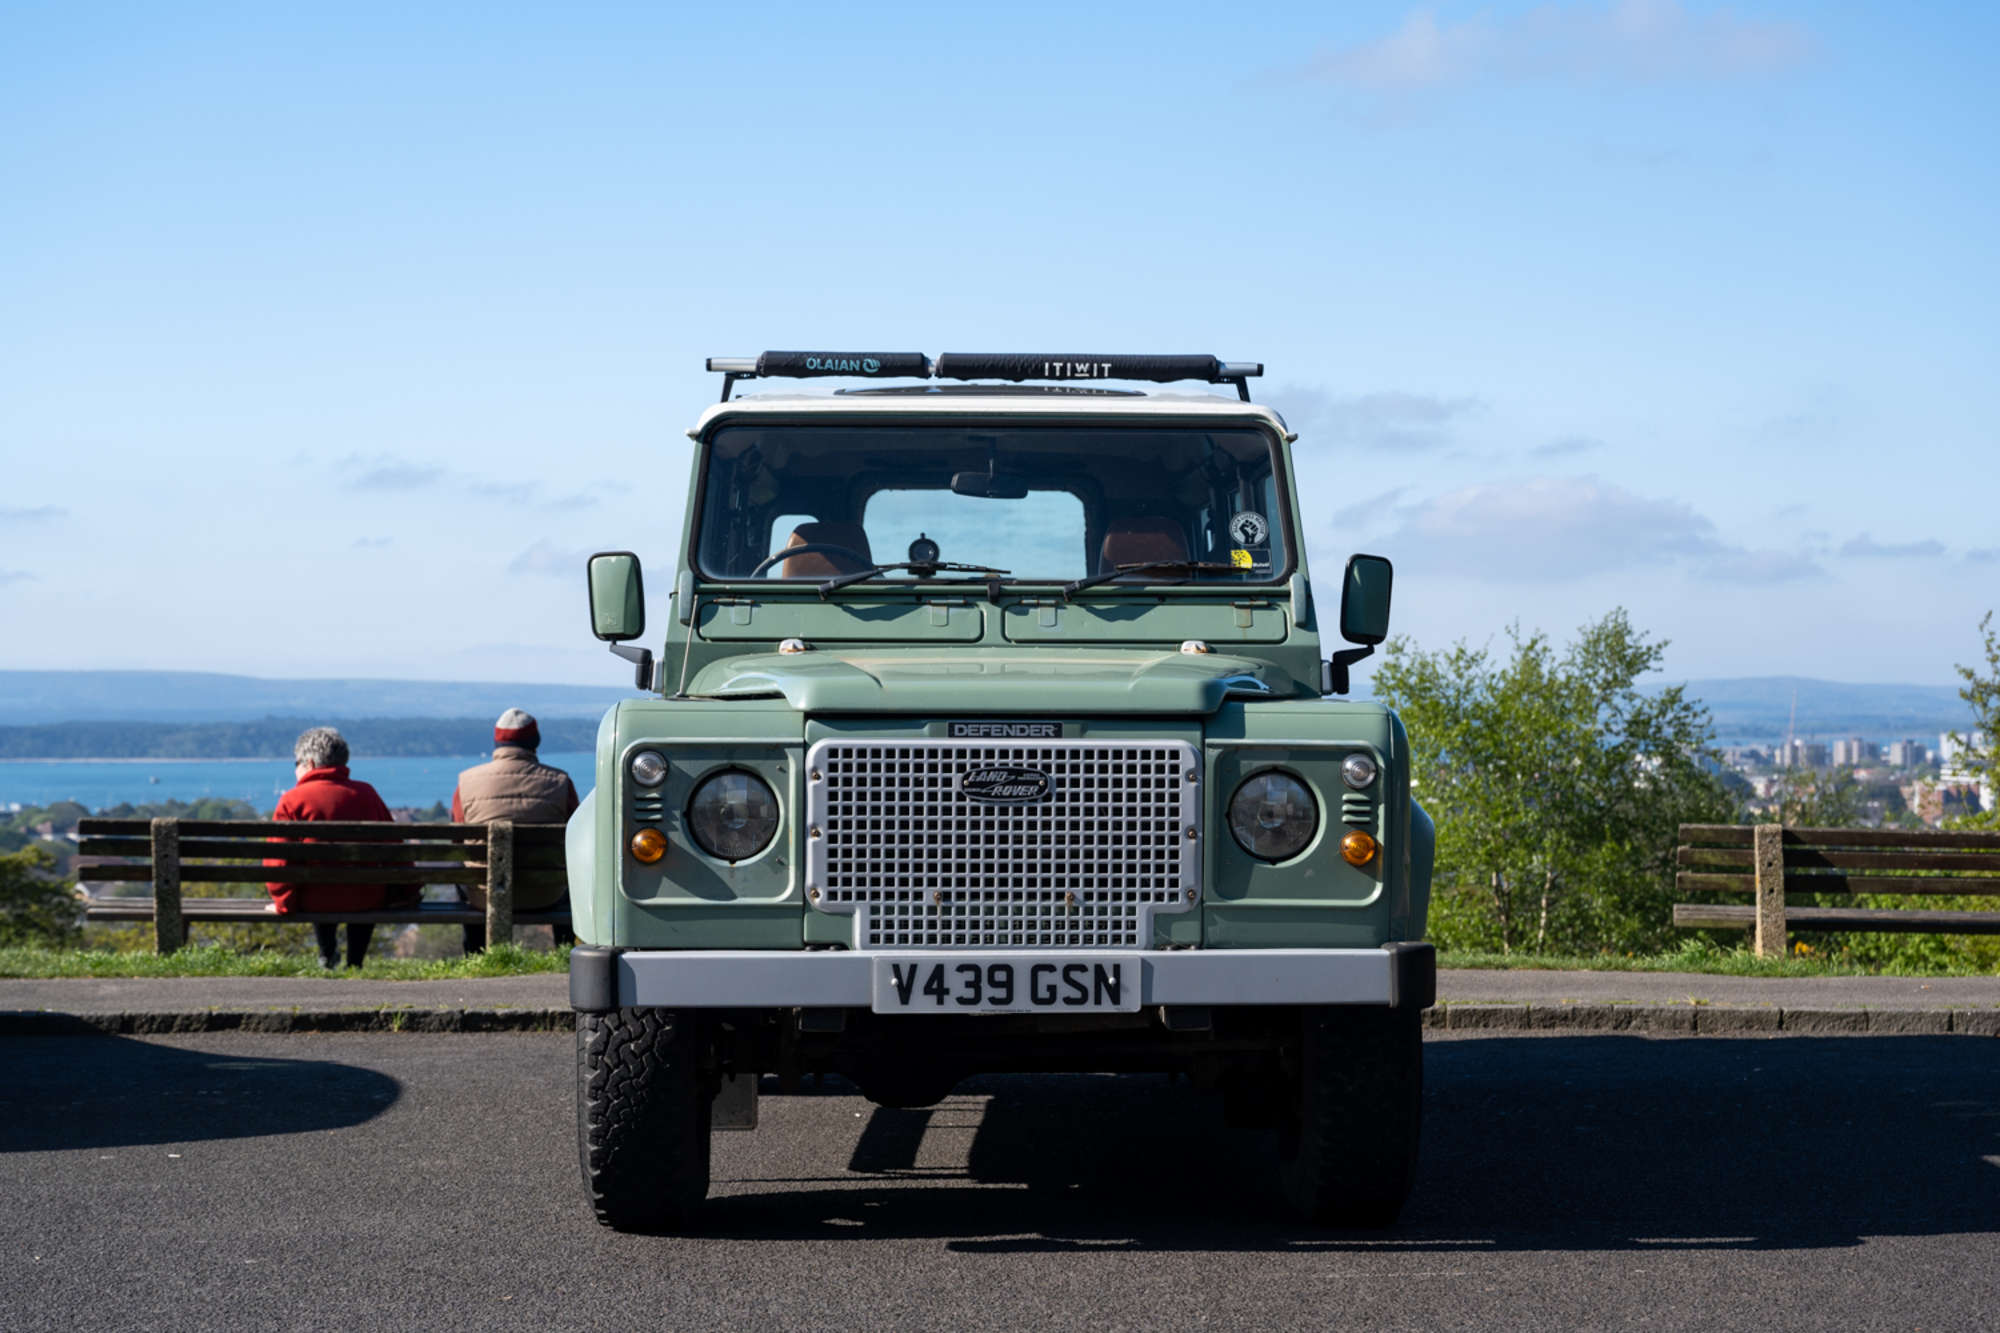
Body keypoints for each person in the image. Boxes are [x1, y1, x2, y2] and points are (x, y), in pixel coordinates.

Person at [450, 709, 580, 952]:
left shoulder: (466, 781)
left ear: (497, 741)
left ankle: (475, 952)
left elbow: (458, 841)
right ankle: (564, 951)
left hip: (484, 895)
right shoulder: (561, 782)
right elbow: (577, 838)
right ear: (535, 741)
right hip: (546, 893)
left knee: (461, 865)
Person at [266, 726, 393, 969]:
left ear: (310, 763)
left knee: (318, 878)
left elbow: (279, 863)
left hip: (314, 899)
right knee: (359, 881)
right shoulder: (367, 793)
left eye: (297, 762)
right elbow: (393, 849)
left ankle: (327, 954)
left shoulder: (293, 800)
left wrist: (283, 902)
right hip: (367, 898)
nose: (295, 769)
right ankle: (355, 963)